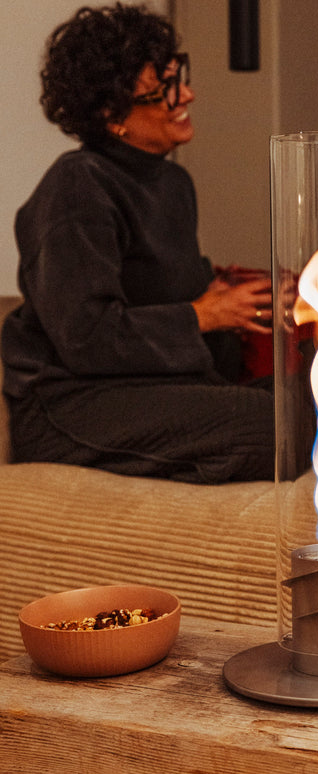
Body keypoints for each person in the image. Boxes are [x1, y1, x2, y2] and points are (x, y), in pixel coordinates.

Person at [1, 3, 276, 484]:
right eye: (164, 90)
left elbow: (183, 298)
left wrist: (253, 311)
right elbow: (86, 337)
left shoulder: (173, 184)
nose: (187, 94)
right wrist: (203, 314)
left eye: (179, 77)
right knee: (273, 425)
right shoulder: (77, 186)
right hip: (74, 404)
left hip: (158, 388)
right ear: (111, 115)